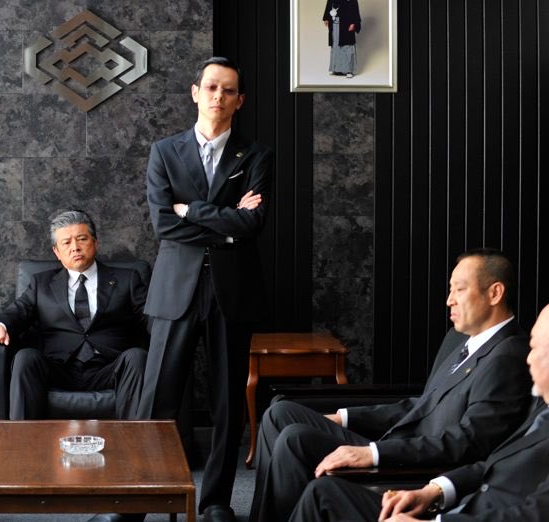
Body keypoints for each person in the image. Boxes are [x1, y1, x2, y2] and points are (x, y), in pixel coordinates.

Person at [249, 249, 533, 522]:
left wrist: (373, 453)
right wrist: (344, 417)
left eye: (459, 290)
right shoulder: (464, 341)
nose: (449, 300)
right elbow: (420, 406)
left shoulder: (506, 357)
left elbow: (469, 442)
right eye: (450, 290)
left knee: (295, 438)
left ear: (495, 293)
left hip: (413, 463)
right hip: (397, 441)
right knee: (281, 412)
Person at [138, 56, 273, 522]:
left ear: (239, 101)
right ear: (195, 92)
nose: (219, 96)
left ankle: (216, 501)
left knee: (227, 403)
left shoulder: (255, 155)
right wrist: (226, 223)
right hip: (174, 289)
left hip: (232, 293)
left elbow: (253, 223)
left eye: (228, 90)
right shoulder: (164, 151)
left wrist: (190, 210)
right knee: (157, 399)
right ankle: (141, 498)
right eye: (211, 87)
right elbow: (162, 224)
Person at [288, 303, 549, 522]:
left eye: (536, 348)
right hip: (446, 499)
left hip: (433, 482)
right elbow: (495, 464)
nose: (528, 357)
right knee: (319, 482)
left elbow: (534, 513)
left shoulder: (506, 356)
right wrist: (434, 492)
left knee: (305, 459)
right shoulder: (541, 411)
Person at [0, 210, 149, 421]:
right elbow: (18, 311)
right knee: (26, 357)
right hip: (59, 369)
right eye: (66, 243)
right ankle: (23, 440)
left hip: (111, 367)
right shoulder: (41, 284)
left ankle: (135, 440)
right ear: (57, 252)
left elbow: (149, 317)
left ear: (95, 242)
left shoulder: (128, 279)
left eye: (82, 239)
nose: (75, 247)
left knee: (136, 357)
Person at [322, 0, 361, 78]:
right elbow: (329, 4)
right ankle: (336, 69)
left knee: (347, 46)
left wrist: (353, 23)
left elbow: (355, 10)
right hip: (334, 25)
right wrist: (326, 18)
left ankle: (349, 70)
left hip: (346, 25)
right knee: (335, 46)